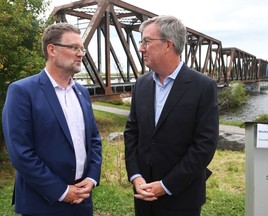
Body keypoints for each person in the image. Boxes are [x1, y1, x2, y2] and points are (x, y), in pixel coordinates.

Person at [2, 23, 102, 216]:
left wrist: (91, 178)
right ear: (52, 50)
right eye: (74, 47)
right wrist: (62, 191)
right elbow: (20, 152)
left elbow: (94, 140)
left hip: (82, 200)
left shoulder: (81, 92)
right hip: (42, 203)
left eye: (82, 48)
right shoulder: (22, 91)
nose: (81, 53)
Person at [124, 15, 219, 216]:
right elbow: (132, 133)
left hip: (181, 198)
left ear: (168, 45)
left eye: (146, 41)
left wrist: (166, 185)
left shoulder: (203, 87)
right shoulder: (141, 84)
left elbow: (204, 146)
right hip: (143, 195)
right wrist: (136, 176)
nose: (141, 48)